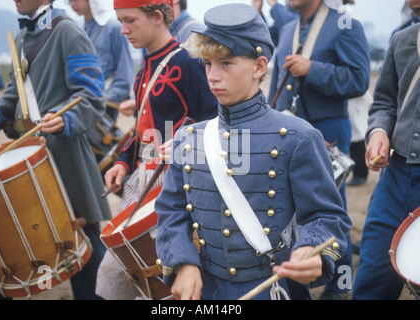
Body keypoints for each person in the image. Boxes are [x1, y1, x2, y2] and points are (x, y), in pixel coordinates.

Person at [154, 3, 352, 300]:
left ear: (259, 66)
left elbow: (326, 216)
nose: (212, 76)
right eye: (207, 63)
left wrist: (312, 250)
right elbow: (171, 210)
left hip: (272, 289)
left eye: (226, 63)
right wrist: (182, 263)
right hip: (207, 291)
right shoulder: (188, 138)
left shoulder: (298, 136)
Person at [0, 0, 112, 300]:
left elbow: (91, 94)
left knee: (83, 241)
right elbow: (17, 87)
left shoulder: (68, 32)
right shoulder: (23, 36)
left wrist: (67, 117)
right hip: (30, 155)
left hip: (66, 156)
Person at [95, 0, 218, 300]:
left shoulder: (189, 63)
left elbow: (215, 125)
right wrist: (124, 162)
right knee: (118, 275)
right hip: (141, 178)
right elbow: (142, 130)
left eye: (130, 20)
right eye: (120, 21)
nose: (123, 30)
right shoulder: (143, 69)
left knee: (152, 280)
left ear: (158, 17)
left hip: (174, 186)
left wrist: (182, 147)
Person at [269, 0, 370, 299]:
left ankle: (340, 287)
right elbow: (278, 86)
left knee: (332, 212)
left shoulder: (345, 24)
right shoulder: (287, 28)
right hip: (288, 132)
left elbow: (359, 79)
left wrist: (313, 69)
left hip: (328, 133)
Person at [352, 22, 420, 300]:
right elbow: (383, 103)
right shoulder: (402, 39)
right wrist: (379, 131)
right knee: (372, 280)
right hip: (395, 177)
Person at [69, 0, 134, 121]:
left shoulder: (113, 28)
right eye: (69, 1)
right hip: (83, 104)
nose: (72, 4)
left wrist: (109, 97)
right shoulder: (81, 30)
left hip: (105, 106)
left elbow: (124, 71)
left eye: (75, 0)